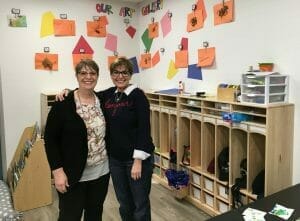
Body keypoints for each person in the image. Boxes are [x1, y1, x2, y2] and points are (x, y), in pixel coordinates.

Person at [57, 57, 154, 221]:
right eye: (116, 72)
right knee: (124, 203)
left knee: (140, 204)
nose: (120, 76)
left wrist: (138, 161)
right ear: (111, 75)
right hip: (115, 161)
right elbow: (87, 92)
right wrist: (67, 91)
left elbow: (144, 130)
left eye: (124, 72)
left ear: (130, 74)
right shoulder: (110, 94)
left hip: (136, 161)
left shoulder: (138, 96)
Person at [44, 59, 110, 221]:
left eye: (92, 73)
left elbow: (122, 90)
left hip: (101, 172)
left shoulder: (103, 100)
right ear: (77, 76)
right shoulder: (63, 104)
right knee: (69, 215)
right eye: (83, 73)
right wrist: (57, 172)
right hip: (73, 174)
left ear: (97, 76)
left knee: (94, 214)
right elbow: (50, 139)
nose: (88, 77)